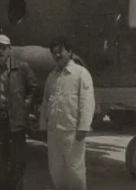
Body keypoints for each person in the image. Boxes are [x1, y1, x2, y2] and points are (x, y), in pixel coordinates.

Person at [0, 34, 38, 190]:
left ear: (10, 49)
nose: (0, 51)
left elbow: (33, 87)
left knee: (17, 162)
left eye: (4, 48)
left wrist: (25, 105)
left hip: (15, 120)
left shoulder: (21, 67)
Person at [39, 36, 95, 190]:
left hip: (72, 132)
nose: (57, 55)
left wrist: (83, 127)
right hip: (54, 131)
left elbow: (86, 102)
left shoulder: (81, 74)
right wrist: (43, 126)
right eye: (54, 53)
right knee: (56, 170)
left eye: (60, 52)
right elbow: (46, 102)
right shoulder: (51, 77)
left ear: (70, 52)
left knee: (75, 170)